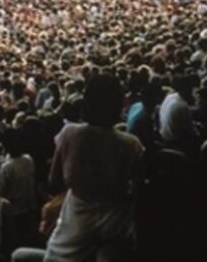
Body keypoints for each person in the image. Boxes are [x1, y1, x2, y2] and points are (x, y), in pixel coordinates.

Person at [14, 74, 143, 262]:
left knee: (17, 256)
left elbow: (54, 181)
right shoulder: (132, 144)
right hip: (116, 230)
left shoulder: (69, 134)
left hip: (69, 242)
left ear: (86, 102)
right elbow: (137, 189)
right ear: (119, 104)